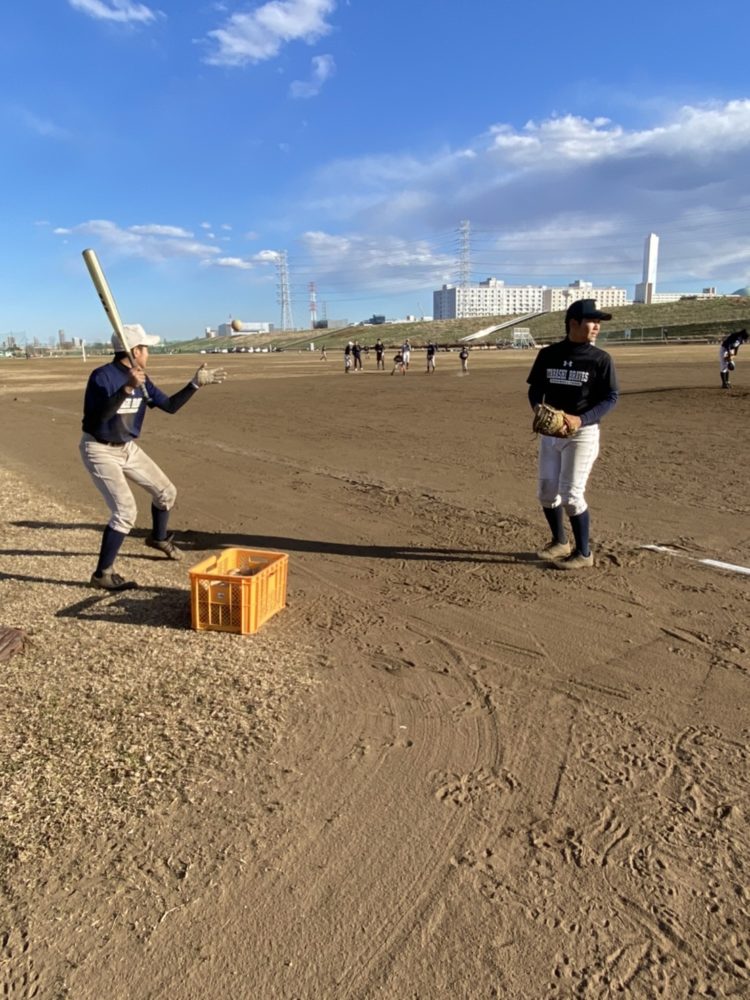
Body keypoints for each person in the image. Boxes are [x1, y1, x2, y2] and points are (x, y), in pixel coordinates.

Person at [80, 324, 227, 591]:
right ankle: (102, 574)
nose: (149, 352)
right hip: (99, 449)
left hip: (126, 447)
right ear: (135, 351)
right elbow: (94, 420)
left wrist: (195, 384)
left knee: (166, 492)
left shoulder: (142, 379)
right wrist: (126, 388)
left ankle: (158, 539)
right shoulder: (102, 376)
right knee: (125, 512)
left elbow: (169, 406)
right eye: (146, 348)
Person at [526, 299, 619, 570]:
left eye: (599, 323)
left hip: (582, 435)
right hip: (551, 433)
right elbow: (535, 389)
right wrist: (538, 409)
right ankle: (560, 542)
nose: (597, 327)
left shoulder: (600, 359)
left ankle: (584, 553)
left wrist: (581, 419)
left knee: (571, 495)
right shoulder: (548, 354)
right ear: (574, 323)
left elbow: (611, 398)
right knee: (546, 492)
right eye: (592, 321)